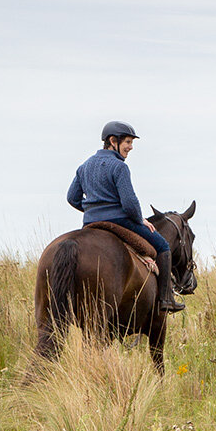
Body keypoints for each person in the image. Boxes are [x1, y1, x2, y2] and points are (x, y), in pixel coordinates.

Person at [66, 120, 183, 313]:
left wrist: (92, 211)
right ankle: (165, 300)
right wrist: (140, 220)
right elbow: (129, 203)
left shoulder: (84, 166)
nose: (130, 147)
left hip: (91, 222)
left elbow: (72, 198)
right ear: (113, 141)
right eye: (128, 142)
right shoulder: (119, 167)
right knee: (162, 246)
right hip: (119, 222)